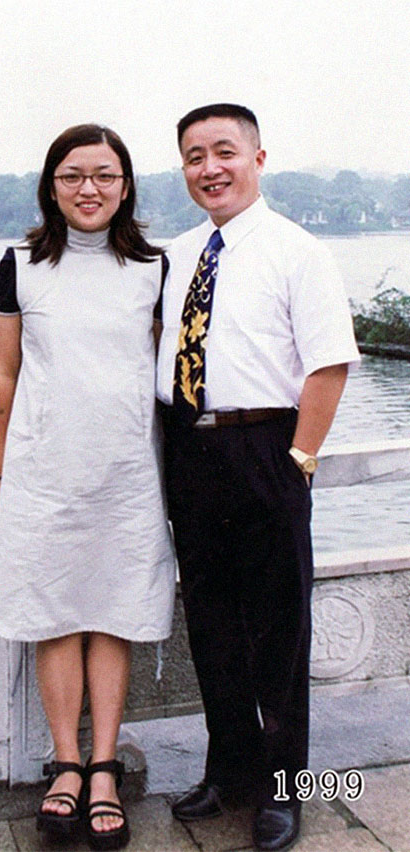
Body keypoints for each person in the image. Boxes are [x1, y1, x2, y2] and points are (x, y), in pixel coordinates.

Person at [155, 104, 360, 852]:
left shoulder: (296, 250)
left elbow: (328, 364)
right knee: (209, 626)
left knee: (277, 630)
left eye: (223, 152)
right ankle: (230, 769)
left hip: (266, 448)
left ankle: (285, 788)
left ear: (258, 157)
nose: (209, 168)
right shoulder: (176, 254)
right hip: (189, 453)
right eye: (193, 157)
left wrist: (299, 461)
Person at [0, 123, 175, 849]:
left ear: (125, 185)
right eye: (72, 176)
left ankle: (105, 768)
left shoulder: (154, 267)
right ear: (50, 186)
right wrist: (2, 469)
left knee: (115, 610)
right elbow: (4, 373)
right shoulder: (19, 264)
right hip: (44, 472)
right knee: (56, 611)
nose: (88, 189)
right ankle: (65, 763)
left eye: (103, 175)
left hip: (128, 473)